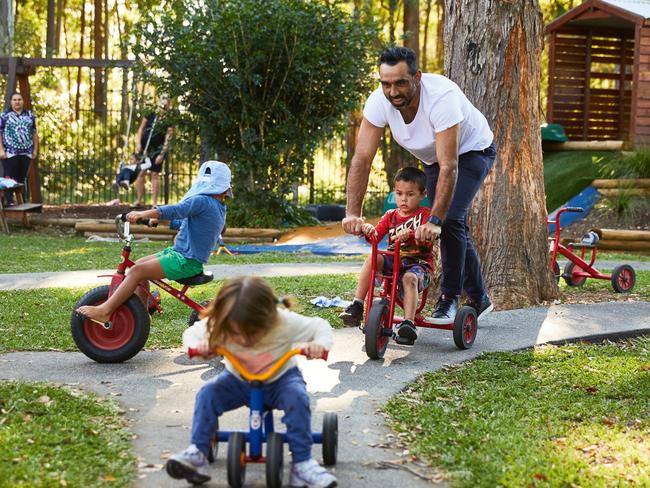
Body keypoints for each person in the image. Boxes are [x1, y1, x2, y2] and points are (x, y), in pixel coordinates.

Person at [342, 46, 496, 327]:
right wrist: (353, 212)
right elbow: (362, 159)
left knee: (449, 220)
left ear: (418, 77)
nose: (393, 91)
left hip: (472, 152)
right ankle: (479, 296)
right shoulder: (379, 101)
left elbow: (450, 165)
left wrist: (435, 220)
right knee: (455, 224)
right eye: (386, 84)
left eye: (400, 82)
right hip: (434, 160)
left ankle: (450, 297)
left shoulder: (441, 98)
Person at [166, 276, 337, 488]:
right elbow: (192, 333)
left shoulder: (283, 321)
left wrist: (319, 344)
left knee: (298, 398)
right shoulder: (221, 321)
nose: (245, 340)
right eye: (237, 333)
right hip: (237, 380)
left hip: (280, 380)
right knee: (207, 394)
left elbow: (320, 326)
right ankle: (197, 454)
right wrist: (199, 346)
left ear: (269, 317)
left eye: (254, 332)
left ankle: (302, 465)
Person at [76, 160, 231, 324]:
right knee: (138, 266)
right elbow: (188, 223)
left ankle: (105, 311)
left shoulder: (202, 201)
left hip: (184, 261)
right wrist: (154, 221)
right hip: (181, 256)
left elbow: (175, 210)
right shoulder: (218, 207)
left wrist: (143, 213)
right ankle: (142, 316)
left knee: (136, 272)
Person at [340, 167, 432, 345]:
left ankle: (408, 323)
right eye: (399, 193)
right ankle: (357, 305)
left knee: (409, 278)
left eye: (410, 194)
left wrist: (412, 233)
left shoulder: (425, 215)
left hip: (418, 263)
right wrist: (367, 230)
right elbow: (375, 236)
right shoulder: (390, 216)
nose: (404, 199)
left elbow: (429, 238)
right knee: (373, 259)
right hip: (394, 259)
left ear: (422, 194)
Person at [133, 93, 174, 206]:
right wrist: (138, 144)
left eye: (166, 104)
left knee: (155, 174)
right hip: (144, 149)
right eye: (162, 102)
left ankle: (154, 203)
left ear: (169, 105)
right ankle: (139, 200)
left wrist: (162, 153)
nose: (163, 106)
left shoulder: (169, 119)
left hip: (157, 150)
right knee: (141, 172)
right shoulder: (150, 113)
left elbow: (168, 137)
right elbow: (141, 129)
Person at [0, 92, 39, 206]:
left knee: (21, 177)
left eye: (19, 99)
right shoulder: (4, 116)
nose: (17, 102)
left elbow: (34, 133)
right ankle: (9, 201)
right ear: (11, 102)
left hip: (26, 152)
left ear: (23, 101)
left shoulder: (30, 115)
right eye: (14, 100)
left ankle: (22, 201)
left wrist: (35, 149)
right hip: (9, 152)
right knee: (9, 177)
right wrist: (1, 150)